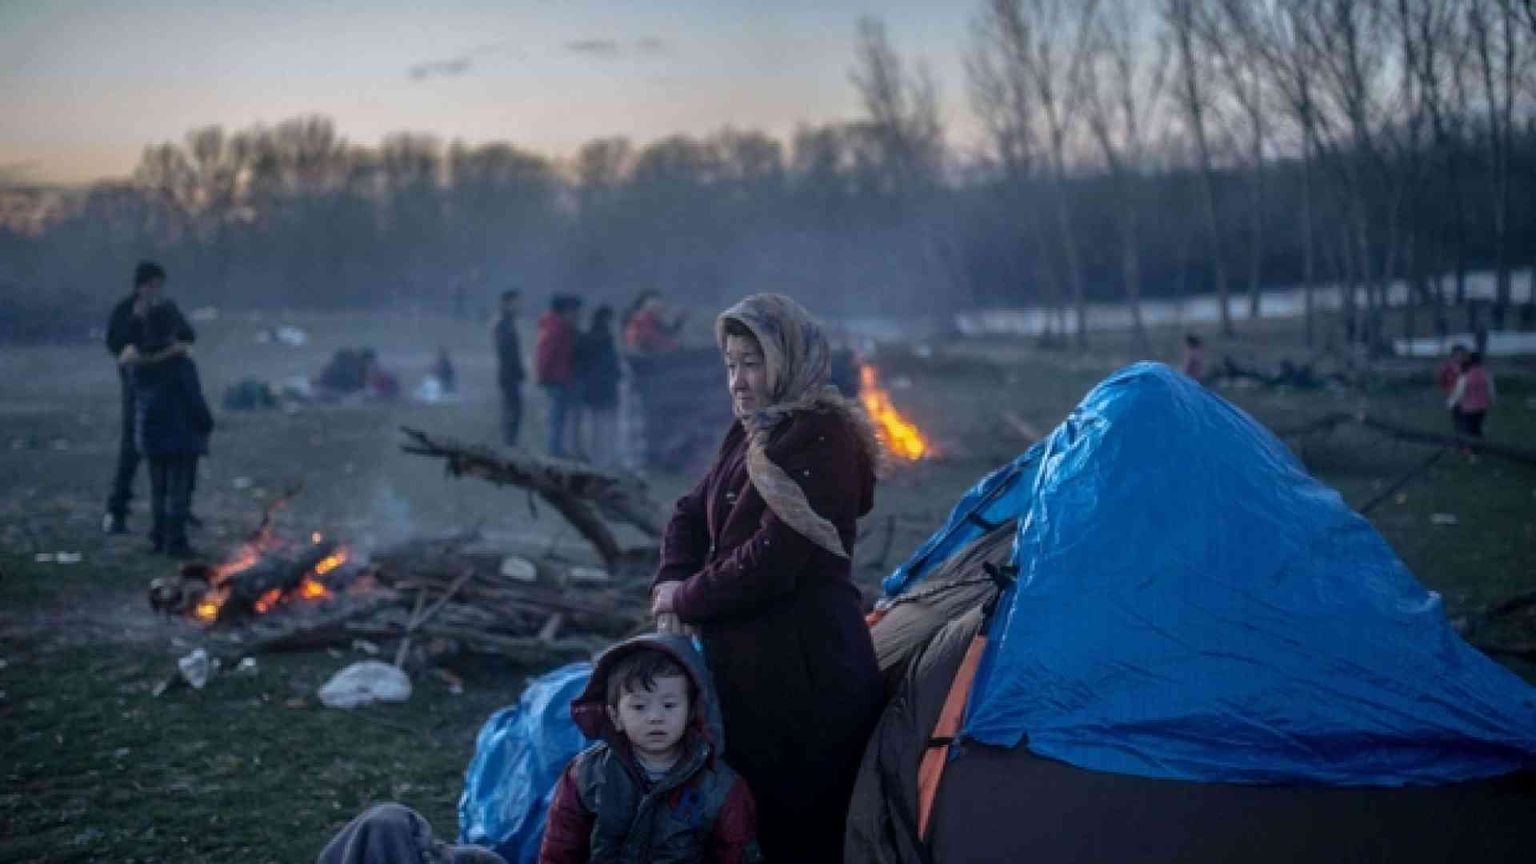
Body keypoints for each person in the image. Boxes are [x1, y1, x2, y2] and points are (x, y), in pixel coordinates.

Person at [649, 293, 883, 861]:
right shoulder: (752, 432)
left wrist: (689, 595)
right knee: (753, 826)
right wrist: (670, 578)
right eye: (730, 364)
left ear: (789, 359)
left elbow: (774, 559)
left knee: (804, 832)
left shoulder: (823, 439)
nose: (738, 380)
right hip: (747, 675)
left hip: (808, 679)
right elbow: (688, 509)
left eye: (752, 362)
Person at [540, 633, 761, 863]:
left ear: (691, 711)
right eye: (639, 706)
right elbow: (559, 851)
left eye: (669, 705)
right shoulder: (586, 775)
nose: (656, 717)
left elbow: (737, 855)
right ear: (615, 716)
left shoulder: (719, 786)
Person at [120, 271, 213, 557]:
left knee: (158, 489)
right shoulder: (179, 363)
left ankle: (158, 537)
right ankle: (176, 541)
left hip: (150, 433)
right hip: (181, 433)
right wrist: (205, 423)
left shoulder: (135, 363)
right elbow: (193, 399)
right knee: (180, 490)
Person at [103, 261, 195, 534]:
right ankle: (117, 510)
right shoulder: (125, 310)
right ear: (141, 285)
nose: (156, 290)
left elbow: (188, 335)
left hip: (168, 389)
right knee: (132, 448)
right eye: (152, 285)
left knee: (173, 453)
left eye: (159, 285)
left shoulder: (167, 308)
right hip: (138, 388)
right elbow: (116, 343)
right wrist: (136, 321)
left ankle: (175, 513)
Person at [573, 305, 621, 468]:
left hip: (589, 387)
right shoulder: (606, 340)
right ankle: (604, 459)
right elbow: (611, 366)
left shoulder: (585, 338)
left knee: (591, 424)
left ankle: (593, 457)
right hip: (605, 387)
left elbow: (578, 362)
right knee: (604, 426)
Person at [535, 295, 581, 458]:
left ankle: (556, 448)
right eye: (574, 311)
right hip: (558, 378)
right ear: (565, 311)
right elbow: (546, 353)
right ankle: (554, 450)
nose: (577, 315)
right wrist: (543, 375)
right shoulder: (557, 328)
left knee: (558, 417)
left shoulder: (555, 326)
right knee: (557, 417)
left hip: (559, 377)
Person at [493, 290, 525, 446]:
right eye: (515, 302)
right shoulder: (502, 323)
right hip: (508, 374)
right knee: (512, 409)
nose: (518, 306)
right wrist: (515, 370)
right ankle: (509, 442)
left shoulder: (509, 322)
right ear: (507, 303)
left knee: (514, 409)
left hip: (511, 373)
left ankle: (510, 441)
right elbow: (506, 351)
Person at [1447, 351, 1495, 443]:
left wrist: (1450, 404)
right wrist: (1491, 400)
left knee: (1468, 429)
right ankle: (1478, 447)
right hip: (1482, 407)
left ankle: (1471, 450)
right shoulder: (1486, 374)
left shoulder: (1465, 376)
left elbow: (1458, 393)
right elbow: (1490, 390)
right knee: (1477, 427)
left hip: (1468, 408)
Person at [1438, 343, 1469, 433]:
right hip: (1455, 398)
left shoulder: (1468, 367)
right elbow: (1443, 381)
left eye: (1461, 355)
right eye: (1456, 355)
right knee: (1458, 420)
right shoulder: (1448, 368)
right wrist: (1447, 391)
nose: (1459, 357)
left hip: (1468, 398)